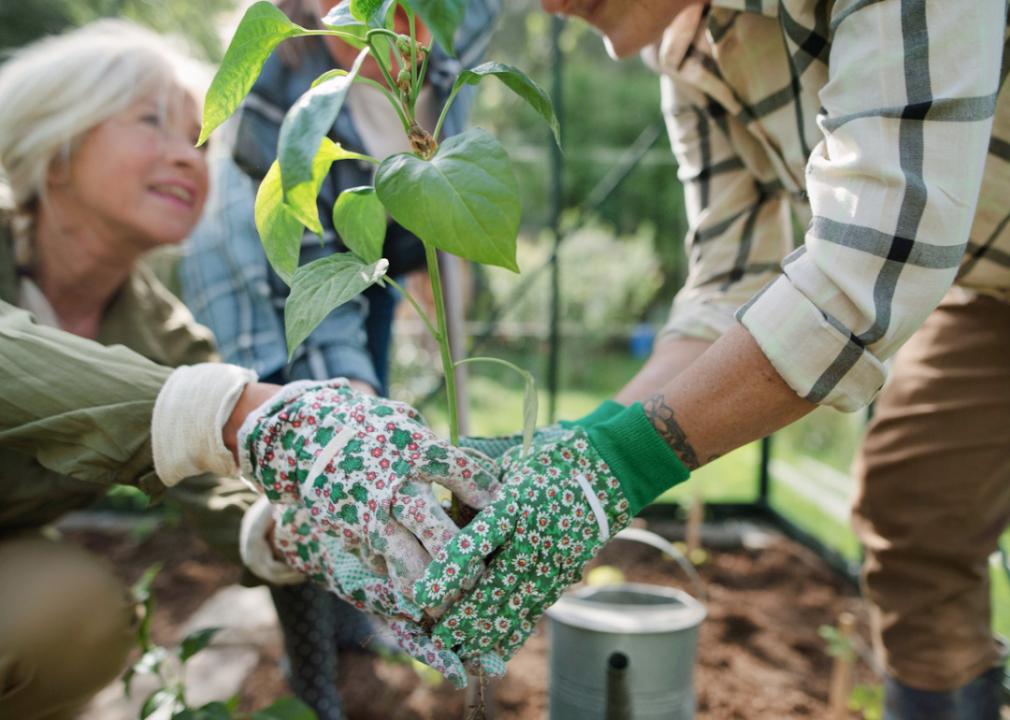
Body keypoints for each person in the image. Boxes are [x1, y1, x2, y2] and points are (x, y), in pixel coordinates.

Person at [416, 1, 1010, 718]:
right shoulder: (689, 47)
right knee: (917, 515)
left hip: (947, 268)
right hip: (989, 290)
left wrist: (616, 463)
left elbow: (873, 255)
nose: (545, 4)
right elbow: (730, 288)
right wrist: (576, 448)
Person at [0, 20, 481, 719]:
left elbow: (216, 486)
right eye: (151, 124)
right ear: (59, 144)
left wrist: (300, 533)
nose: (188, 157)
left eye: (200, 138)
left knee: (71, 614)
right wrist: (241, 410)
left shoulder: (158, 332)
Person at [179, 1, 502, 715]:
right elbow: (313, 268)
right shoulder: (289, 79)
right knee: (301, 467)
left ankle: (356, 629)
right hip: (268, 262)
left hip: (375, 253)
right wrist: (349, 418)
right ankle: (313, 680)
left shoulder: (462, 21)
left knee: (362, 426)